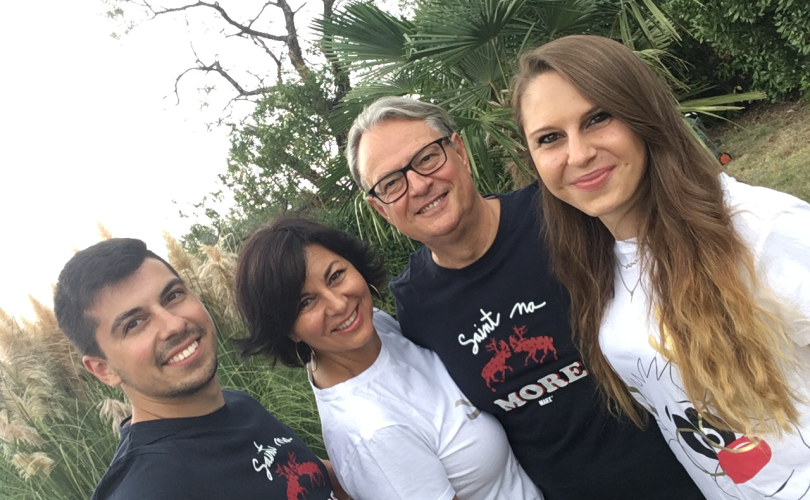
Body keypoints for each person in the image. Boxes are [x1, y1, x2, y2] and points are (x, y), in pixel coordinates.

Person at [346, 98, 705, 499]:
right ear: (381, 208)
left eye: (427, 158)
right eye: (391, 183)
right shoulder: (414, 304)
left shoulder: (562, 214)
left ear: (460, 151)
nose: (418, 185)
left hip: (700, 473)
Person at [511, 34, 810, 499]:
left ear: (642, 114)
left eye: (598, 118)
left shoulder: (760, 228)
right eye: (550, 138)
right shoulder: (598, 266)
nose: (578, 153)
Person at [234, 218, 542, 500]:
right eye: (306, 302)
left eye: (336, 276)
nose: (339, 304)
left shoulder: (370, 327)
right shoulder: (373, 434)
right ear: (287, 330)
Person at [53, 238, 344, 500]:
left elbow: (316, 478)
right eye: (134, 323)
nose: (174, 324)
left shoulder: (237, 404)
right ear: (103, 369)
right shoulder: (147, 490)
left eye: (172, 296)